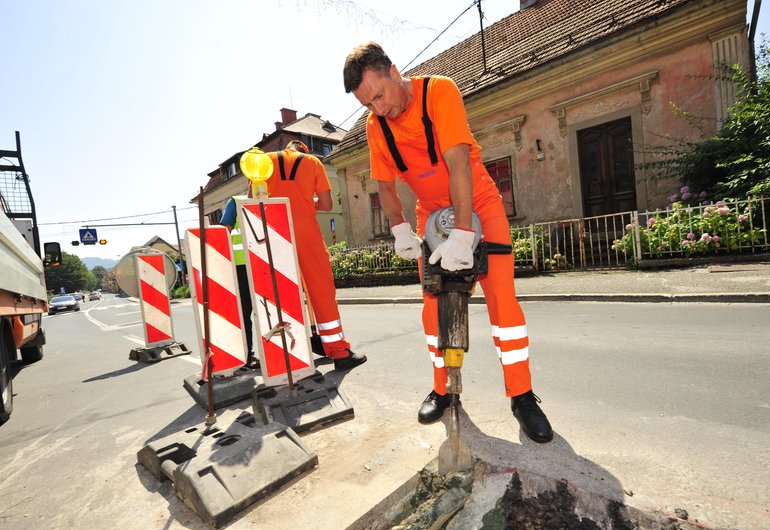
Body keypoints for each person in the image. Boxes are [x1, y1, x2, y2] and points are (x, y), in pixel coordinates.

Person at [343, 42, 553, 443]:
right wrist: (399, 228)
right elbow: (384, 186)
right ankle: (444, 390)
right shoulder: (376, 126)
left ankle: (522, 396)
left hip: (479, 205)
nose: (378, 109)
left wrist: (463, 230)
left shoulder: (439, 91)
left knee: (503, 303)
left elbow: (458, 161)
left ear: (393, 70)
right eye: (367, 104)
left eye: (379, 95)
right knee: (432, 310)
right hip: (430, 215)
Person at [221, 140, 366, 371]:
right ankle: (339, 352)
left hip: (273, 234)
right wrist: (307, 201)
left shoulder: (263, 160)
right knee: (322, 291)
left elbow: (251, 200)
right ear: (302, 150)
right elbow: (327, 204)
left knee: (281, 295)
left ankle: (289, 355)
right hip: (306, 233)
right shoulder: (312, 162)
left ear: (287, 147)